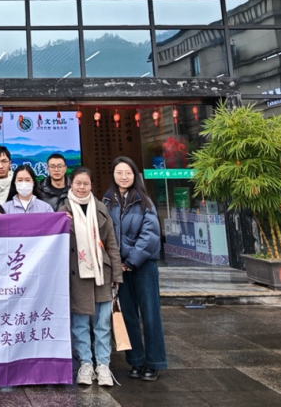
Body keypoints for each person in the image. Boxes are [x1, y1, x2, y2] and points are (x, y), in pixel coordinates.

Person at [103, 156, 167, 382]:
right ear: (113, 175)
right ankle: (136, 360)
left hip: (142, 266)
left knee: (150, 315)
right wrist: (116, 264)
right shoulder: (106, 202)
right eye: (119, 172)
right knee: (127, 315)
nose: (123, 177)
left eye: (128, 173)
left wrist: (130, 262)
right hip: (119, 268)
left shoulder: (144, 202)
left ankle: (154, 362)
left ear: (135, 175)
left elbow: (150, 235)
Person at [59, 167, 122, 389]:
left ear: (91, 186)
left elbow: (111, 243)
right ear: (71, 184)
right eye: (78, 183)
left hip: (101, 273)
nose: (82, 187)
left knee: (102, 324)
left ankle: (103, 365)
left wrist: (117, 273)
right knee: (79, 325)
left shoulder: (101, 209)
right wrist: (61, 223)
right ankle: (85, 364)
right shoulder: (63, 211)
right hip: (76, 274)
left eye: (86, 183)